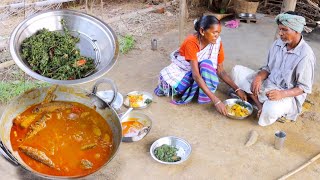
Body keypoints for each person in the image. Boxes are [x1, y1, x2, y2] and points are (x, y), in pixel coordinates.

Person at [231, 11, 316, 126]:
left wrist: (281, 94)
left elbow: (303, 88)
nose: (280, 33)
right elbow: (268, 68)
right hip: (268, 83)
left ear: (297, 30)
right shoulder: (277, 44)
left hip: (286, 95)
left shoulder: (306, 55)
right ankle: (259, 104)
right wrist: (259, 77)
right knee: (237, 71)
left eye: (284, 30)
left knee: (271, 110)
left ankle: (261, 104)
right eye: (279, 29)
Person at [154, 15, 247, 115]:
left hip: (196, 71)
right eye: (214, 32)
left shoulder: (216, 42)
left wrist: (237, 89)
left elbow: (221, 70)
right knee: (180, 87)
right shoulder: (191, 42)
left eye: (219, 33)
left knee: (207, 65)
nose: (217, 36)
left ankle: (200, 92)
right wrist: (216, 100)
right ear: (202, 31)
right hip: (184, 70)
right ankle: (189, 90)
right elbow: (196, 76)